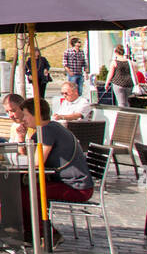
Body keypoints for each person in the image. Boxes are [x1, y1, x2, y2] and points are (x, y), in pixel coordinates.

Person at [17, 97, 93, 243]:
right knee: (23, 190)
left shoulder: (47, 131)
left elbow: (37, 162)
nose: (22, 119)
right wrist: (21, 137)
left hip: (76, 187)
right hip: (71, 183)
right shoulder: (45, 129)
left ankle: (46, 233)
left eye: (25, 115)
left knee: (27, 193)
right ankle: (30, 230)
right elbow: (25, 154)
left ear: (36, 114)